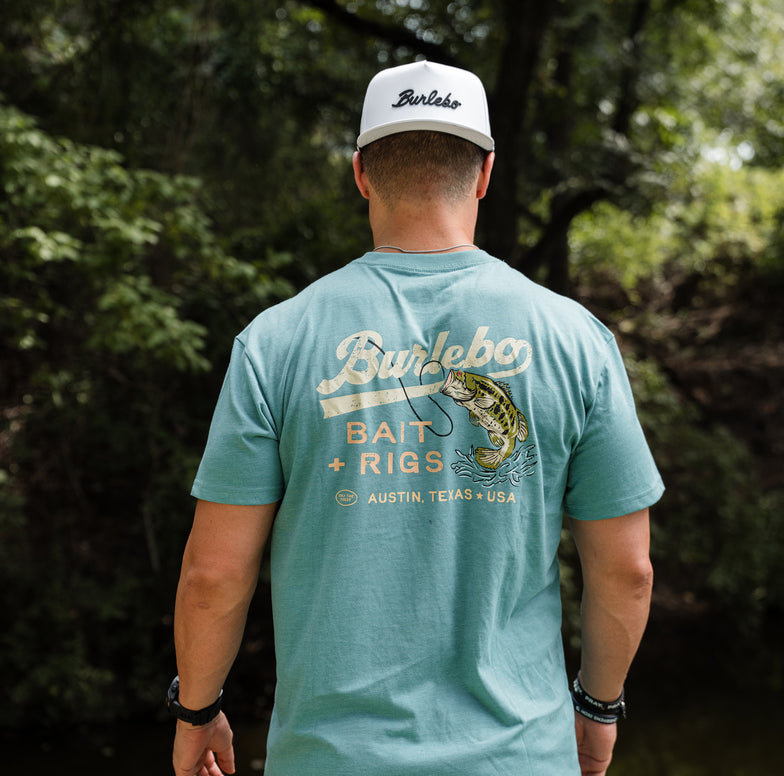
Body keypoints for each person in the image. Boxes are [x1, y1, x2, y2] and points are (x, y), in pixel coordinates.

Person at [168, 60, 663, 776]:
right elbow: (628, 571)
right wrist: (598, 709)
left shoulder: (275, 342)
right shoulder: (576, 339)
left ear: (362, 172)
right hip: (523, 757)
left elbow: (213, 574)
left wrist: (196, 711)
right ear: (486, 173)